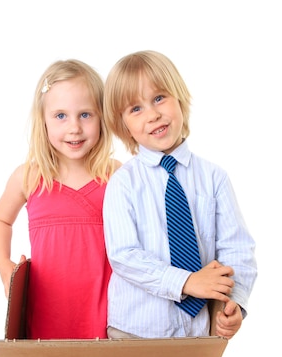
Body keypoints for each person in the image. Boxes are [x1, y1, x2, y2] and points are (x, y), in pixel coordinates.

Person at [102, 50, 257, 340]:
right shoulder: (123, 183)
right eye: (136, 109)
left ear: (180, 98)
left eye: (159, 98)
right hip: (134, 330)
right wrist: (187, 282)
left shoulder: (214, 178)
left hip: (198, 333)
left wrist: (233, 302)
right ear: (124, 126)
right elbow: (124, 255)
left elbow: (237, 250)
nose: (153, 114)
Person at [0, 59, 121, 339]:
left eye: (85, 114)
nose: (74, 127)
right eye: (61, 116)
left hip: (109, 315)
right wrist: (4, 267)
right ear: (44, 120)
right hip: (47, 315)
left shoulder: (117, 175)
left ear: (103, 118)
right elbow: (0, 219)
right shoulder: (29, 177)